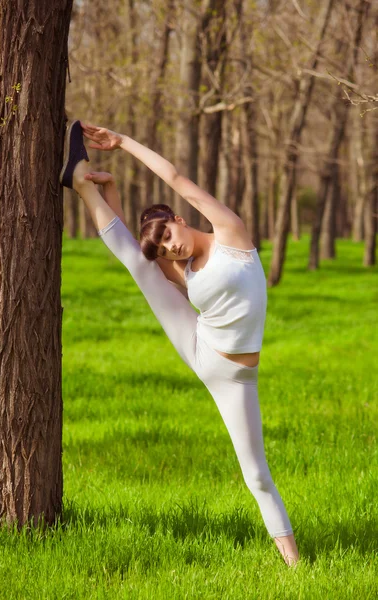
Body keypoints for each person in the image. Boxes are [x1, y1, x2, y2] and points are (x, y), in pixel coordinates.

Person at [60, 120, 299, 566]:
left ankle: (294, 563)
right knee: (139, 265)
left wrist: (123, 142)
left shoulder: (231, 233)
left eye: (171, 236)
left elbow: (175, 179)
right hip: (200, 347)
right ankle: (80, 183)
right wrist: (108, 194)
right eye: (167, 249)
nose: (174, 249)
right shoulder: (180, 266)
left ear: (180, 220)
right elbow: (144, 252)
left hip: (238, 380)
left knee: (257, 475)